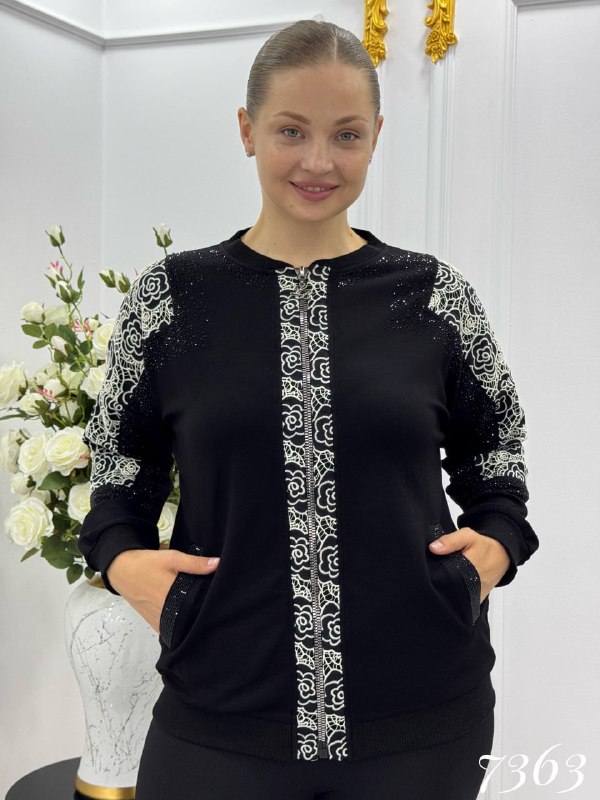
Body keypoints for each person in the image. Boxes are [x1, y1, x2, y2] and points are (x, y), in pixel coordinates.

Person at [78, 19, 540, 800]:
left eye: (346, 135)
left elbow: (497, 462)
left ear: (376, 136)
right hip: (217, 713)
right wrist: (126, 565)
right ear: (247, 130)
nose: (319, 162)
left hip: (426, 720)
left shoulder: (436, 297)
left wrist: (492, 548)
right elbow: (119, 480)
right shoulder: (172, 298)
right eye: (291, 130)